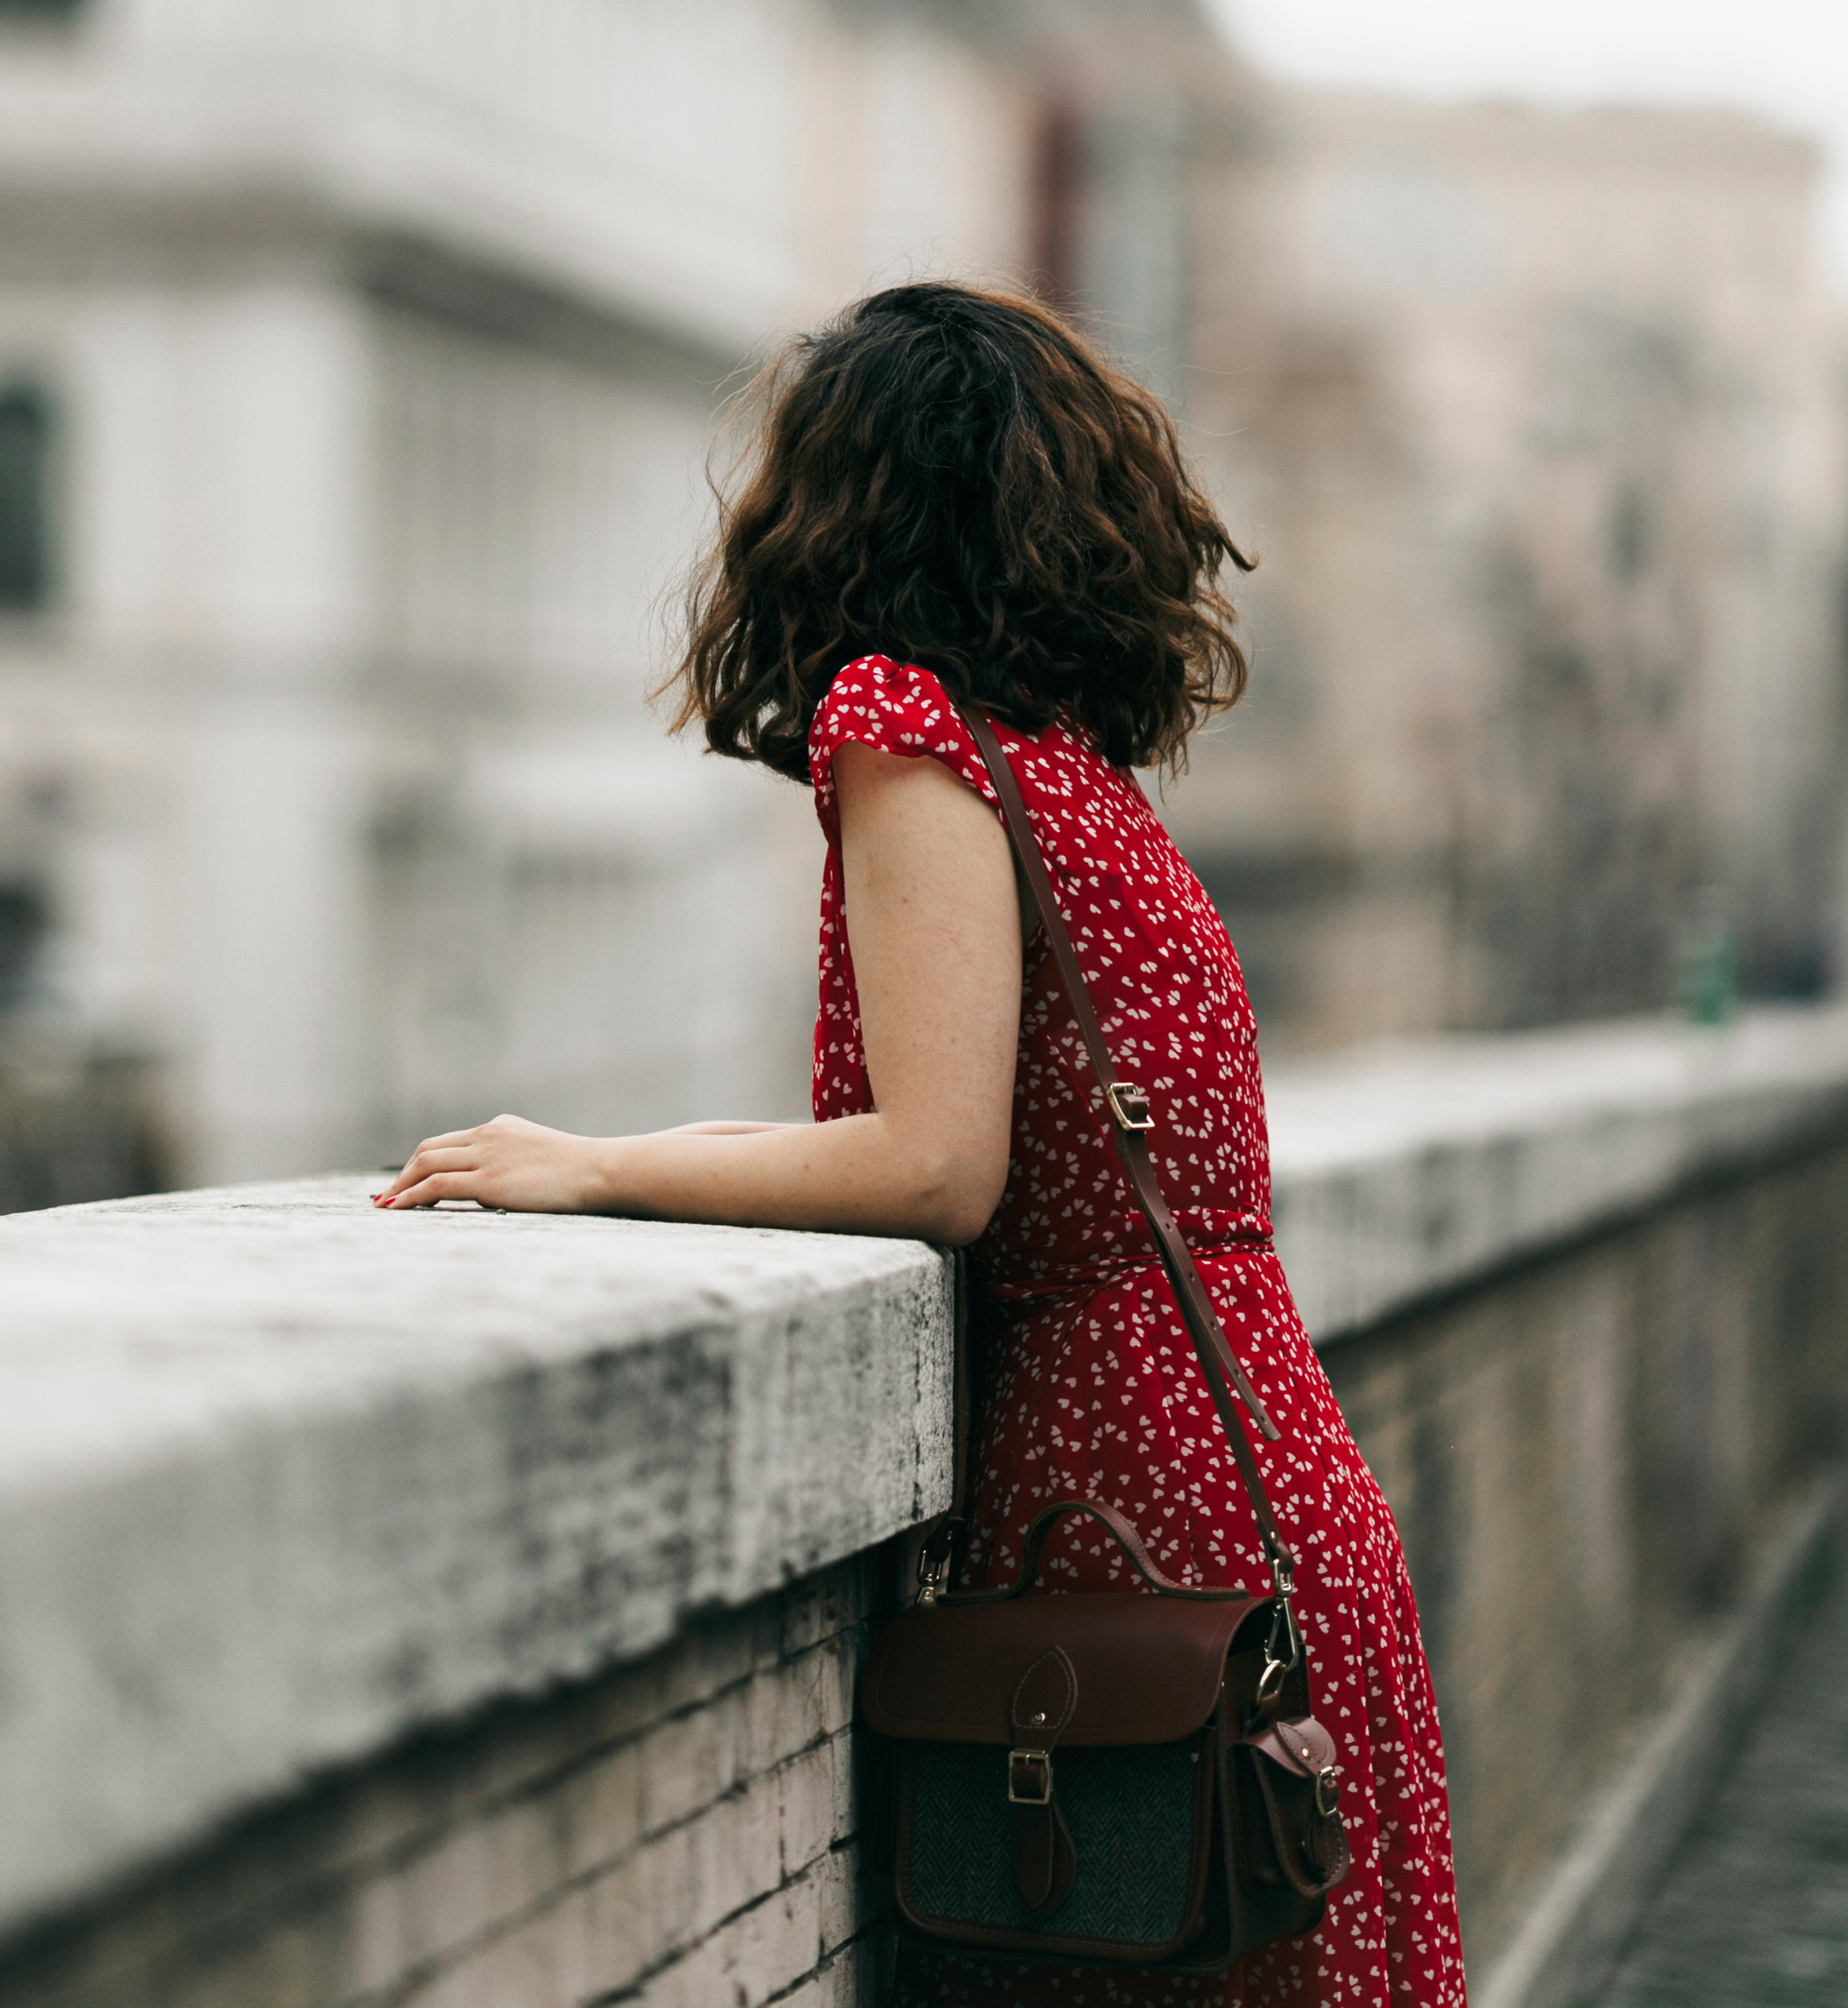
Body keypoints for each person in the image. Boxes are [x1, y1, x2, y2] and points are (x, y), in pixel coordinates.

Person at [380, 280, 1466, 2006]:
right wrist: (617, 1141)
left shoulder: (906, 726)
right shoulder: (1066, 766)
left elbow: (934, 1165)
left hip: (1126, 1482)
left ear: (848, 499)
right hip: (1263, 1460)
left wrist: (597, 1175)